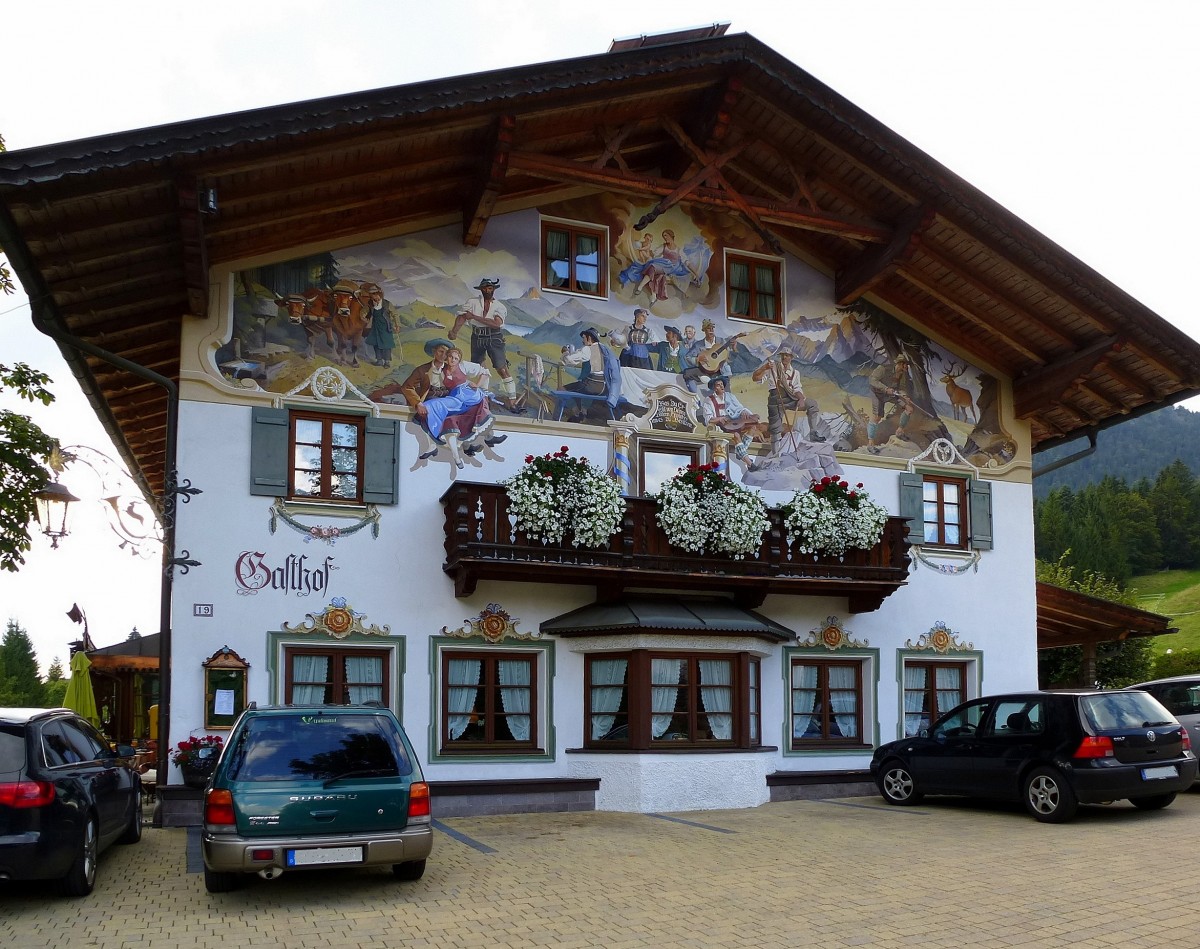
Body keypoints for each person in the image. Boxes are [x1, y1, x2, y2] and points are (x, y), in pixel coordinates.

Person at [449, 277, 522, 412]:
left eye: (490, 288)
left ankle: (512, 402)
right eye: (485, 288)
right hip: (477, 336)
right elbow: (462, 316)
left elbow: (496, 323)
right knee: (480, 368)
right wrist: (454, 331)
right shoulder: (472, 302)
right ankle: (484, 400)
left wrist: (475, 317)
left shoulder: (500, 306)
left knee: (502, 369)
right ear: (481, 289)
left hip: (494, 337)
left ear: (493, 289)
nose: (487, 291)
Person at [751, 350, 825, 448]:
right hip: (775, 399)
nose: (784, 357)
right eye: (783, 355)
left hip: (790, 398)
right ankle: (775, 455)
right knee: (775, 429)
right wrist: (764, 368)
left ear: (791, 357)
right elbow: (756, 378)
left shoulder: (795, 373)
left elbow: (797, 388)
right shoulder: (773, 366)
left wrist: (801, 399)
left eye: (787, 355)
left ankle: (813, 433)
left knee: (812, 404)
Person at [701, 377, 767, 464]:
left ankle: (740, 452)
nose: (721, 386)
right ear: (714, 388)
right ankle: (749, 462)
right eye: (718, 385)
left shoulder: (730, 396)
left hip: (737, 422)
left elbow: (739, 407)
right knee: (736, 435)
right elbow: (709, 419)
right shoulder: (709, 400)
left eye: (722, 384)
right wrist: (720, 418)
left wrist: (743, 411)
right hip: (723, 426)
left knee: (753, 428)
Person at [369, 337, 452, 405]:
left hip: (445, 402)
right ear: (434, 351)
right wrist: (417, 403)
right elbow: (407, 387)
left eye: (446, 353)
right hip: (428, 402)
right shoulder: (422, 370)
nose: (443, 355)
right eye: (441, 351)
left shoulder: (451, 370)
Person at [560, 327, 620, 420]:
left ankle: (575, 411)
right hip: (605, 387)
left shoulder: (588, 349)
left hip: (592, 386)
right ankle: (583, 412)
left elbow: (569, 360)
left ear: (589, 338)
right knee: (584, 383)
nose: (583, 341)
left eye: (584, 338)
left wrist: (565, 352)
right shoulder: (604, 349)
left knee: (561, 389)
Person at [868, 352, 916, 448]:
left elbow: (901, 388)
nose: (907, 367)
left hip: (892, 394)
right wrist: (885, 389)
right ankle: (870, 443)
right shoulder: (883, 369)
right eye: (906, 365)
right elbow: (872, 380)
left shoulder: (902, 375)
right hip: (878, 394)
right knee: (877, 417)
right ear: (901, 364)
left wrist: (905, 395)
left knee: (909, 409)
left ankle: (899, 432)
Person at [360, 282, 400, 367]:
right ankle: (379, 360)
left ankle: (387, 362)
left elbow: (395, 314)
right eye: (372, 297)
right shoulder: (370, 304)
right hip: (375, 327)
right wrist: (363, 317)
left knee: (386, 344)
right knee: (376, 343)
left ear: (379, 295)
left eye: (376, 296)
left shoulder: (387, 304)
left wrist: (397, 325)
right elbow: (363, 312)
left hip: (386, 327)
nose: (375, 299)